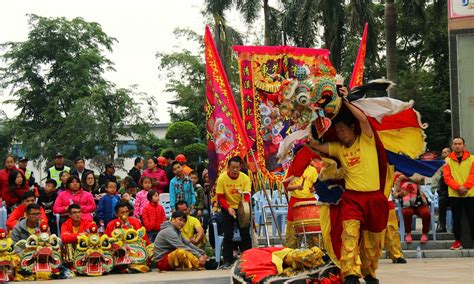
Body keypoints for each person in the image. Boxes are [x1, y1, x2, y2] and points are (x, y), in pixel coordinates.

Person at [307, 95, 389, 284]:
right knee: (349, 234)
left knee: (372, 240)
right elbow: (317, 146)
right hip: (352, 198)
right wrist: (306, 129)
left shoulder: (366, 140)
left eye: (343, 130)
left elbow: (363, 119)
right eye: (337, 131)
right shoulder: (338, 148)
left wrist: (344, 101)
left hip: (375, 198)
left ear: (352, 128)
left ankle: (369, 273)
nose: (341, 134)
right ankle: (350, 273)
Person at [216, 156, 252, 269]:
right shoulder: (222, 178)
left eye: (237, 167)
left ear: (240, 167)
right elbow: (220, 197)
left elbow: (247, 195)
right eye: (233, 167)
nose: (235, 170)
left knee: (245, 234)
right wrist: (228, 208)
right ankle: (227, 260)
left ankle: (249, 259)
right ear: (228, 167)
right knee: (228, 235)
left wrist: (243, 207)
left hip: (242, 207)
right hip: (228, 208)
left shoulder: (245, 178)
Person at [442, 137, 474, 250]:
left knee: (472, 218)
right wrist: (458, 187)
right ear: (452, 146)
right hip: (454, 194)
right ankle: (457, 241)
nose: (457, 146)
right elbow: (447, 177)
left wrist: (465, 187)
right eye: (455, 144)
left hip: (470, 193)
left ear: (464, 145)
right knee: (456, 219)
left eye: (459, 143)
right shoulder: (447, 161)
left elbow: (473, 175)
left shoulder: (472, 159)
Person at [283, 161, 319, 248]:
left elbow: (317, 184)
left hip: (310, 200)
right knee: (292, 229)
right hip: (295, 201)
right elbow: (286, 187)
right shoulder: (291, 170)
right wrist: (297, 187)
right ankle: (290, 251)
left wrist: (314, 188)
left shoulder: (313, 170)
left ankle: (316, 251)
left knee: (313, 230)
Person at [435, 147, 452, 233]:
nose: (443, 154)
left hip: (455, 194)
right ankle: (442, 225)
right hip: (446, 195)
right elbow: (439, 188)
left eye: (445, 152)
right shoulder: (442, 171)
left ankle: (455, 226)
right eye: (443, 153)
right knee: (442, 200)